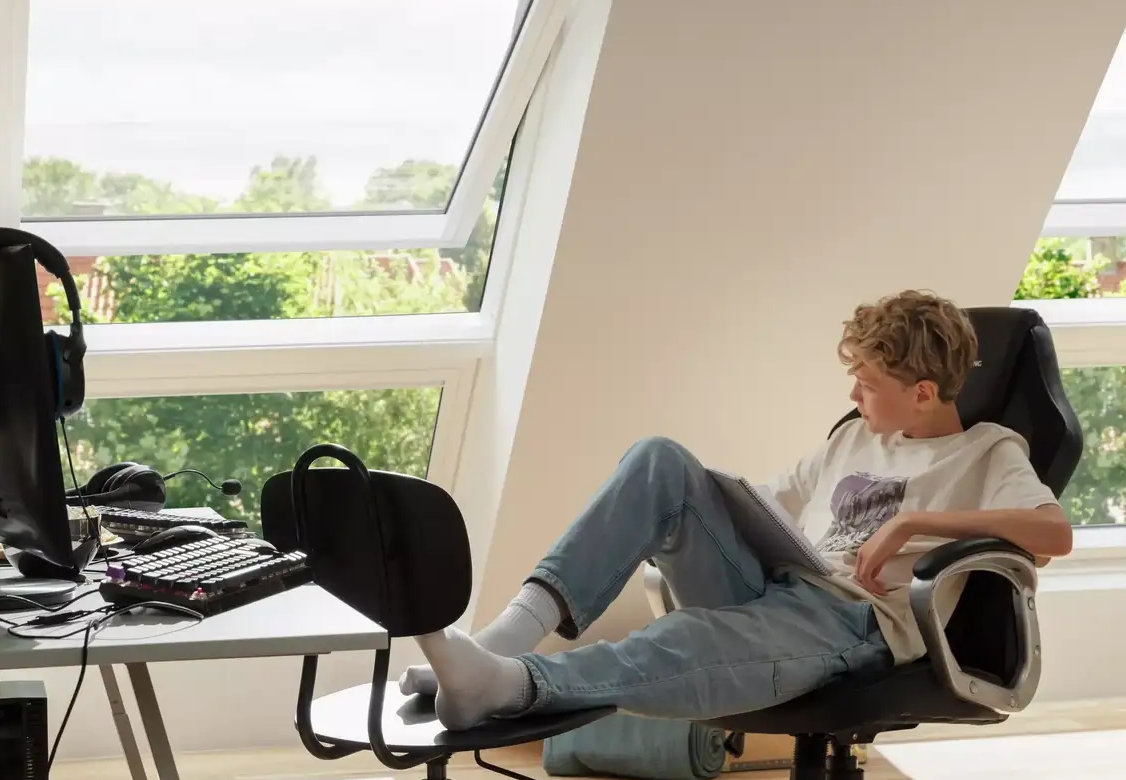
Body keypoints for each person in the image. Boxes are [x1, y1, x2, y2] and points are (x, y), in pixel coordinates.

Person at [405, 291, 1074, 731]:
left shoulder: (986, 451)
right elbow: (768, 504)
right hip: (782, 582)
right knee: (660, 458)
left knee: (685, 637)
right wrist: (711, 501)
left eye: (868, 384)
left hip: (854, 619)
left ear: (923, 392)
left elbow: (1054, 533)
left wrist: (914, 523)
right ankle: (506, 636)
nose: (853, 394)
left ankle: (504, 683)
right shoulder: (853, 435)